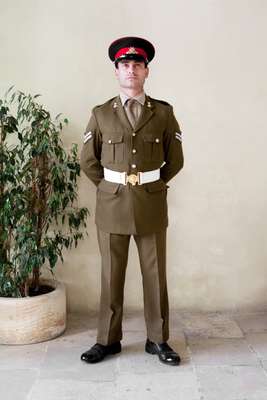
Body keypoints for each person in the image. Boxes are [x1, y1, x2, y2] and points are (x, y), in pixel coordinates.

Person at [80, 36, 184, 366]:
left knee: (155, 276)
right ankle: (107, 340)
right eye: (124, 65)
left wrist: (152, 185)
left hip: (150, 204)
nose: (131, 70)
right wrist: (111, 187)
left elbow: (176, 160)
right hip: (112, 205)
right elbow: (88, 160)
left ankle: (157, 340)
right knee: (111, 275)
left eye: (137, 65)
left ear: (146, 71)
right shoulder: (100, 114)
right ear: (116, 72)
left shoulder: (164, 114)